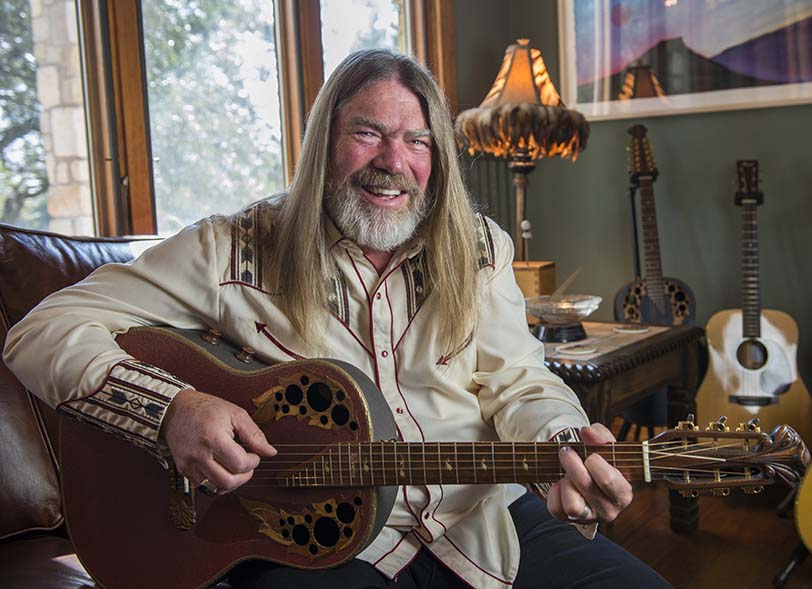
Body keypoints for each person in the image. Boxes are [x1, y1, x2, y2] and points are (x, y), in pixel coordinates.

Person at [3, 49, 670, 589]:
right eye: (368, 133)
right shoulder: (233, 247)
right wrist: (171, 407)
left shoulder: (479, 248)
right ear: (326, 141)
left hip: (478, 524)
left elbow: (519, 383)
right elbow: (39, 330)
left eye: (416, 140)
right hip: (305, 539)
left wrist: (561, 443)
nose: (393, 161)